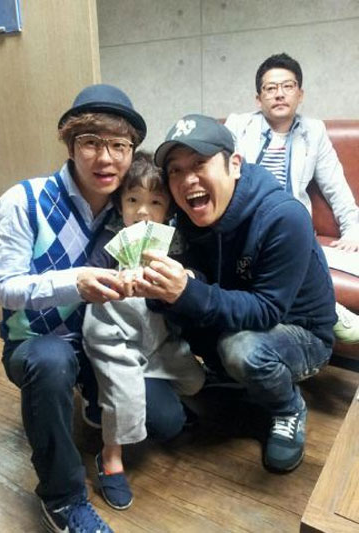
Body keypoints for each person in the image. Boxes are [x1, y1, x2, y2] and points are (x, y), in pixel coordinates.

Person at [0, 85, 187, 533]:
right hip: (39, 343)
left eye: (119, 146)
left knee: (167, 420)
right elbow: (3, 288)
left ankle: (93, 408)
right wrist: (73, 282)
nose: (106, 158)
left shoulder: (128, 209)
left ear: (131, 153)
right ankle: (62, 498)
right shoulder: (24, 201)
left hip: (108, 346)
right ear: (70, 145)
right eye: (91, 142)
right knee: (51, 361)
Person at [134, 114, 336, 474]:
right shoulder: (188, 218)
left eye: (200, 164)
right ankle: (228, 376)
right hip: (238, 316)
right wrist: (173, 285)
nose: (187, 179)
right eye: (176, 170)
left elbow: (266, 311)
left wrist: (189, 291)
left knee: (241, 350)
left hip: (301, 332)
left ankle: (288, 408)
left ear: (235, 165)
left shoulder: (282, 217)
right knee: (177, 309)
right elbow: (200, 283)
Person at [82, 151, 205, 510]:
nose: (143, 212)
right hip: (112, 335)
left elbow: (195, 279)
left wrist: (186, 279)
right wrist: (112, 280)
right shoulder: (110, 239)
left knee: (194, 379)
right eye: (133, 200)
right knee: (125, 398)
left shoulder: (173, 242)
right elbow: (90, 275)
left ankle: (156, 403)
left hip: (155, 336)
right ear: (119, 203)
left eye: (155, 202)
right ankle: (110, 458)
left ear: (169, 209)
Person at [225, 52, 359, 344]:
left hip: (289, 224)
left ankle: (319, 310)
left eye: (287, 86)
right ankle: (328, 309)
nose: (279, 94)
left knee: (288, 237)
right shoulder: (238, 126)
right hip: (245, 221)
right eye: (270, 88)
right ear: (258, 99)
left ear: (300, 94)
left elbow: (335, 185)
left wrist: (353, 229)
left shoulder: (314, 131)